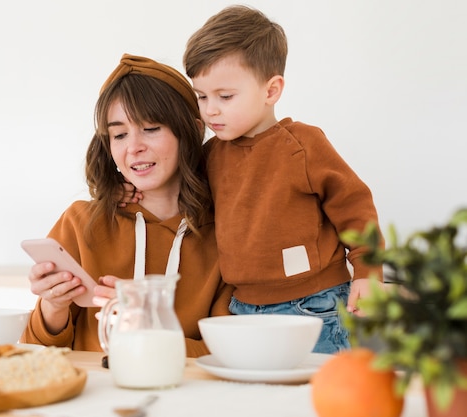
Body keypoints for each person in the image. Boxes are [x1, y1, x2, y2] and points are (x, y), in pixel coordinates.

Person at [181, 5, 384, 353]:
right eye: (201, 96)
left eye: (225, 97)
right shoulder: (210, 155)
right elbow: (180, 194)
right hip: (243, 311)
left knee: (319, 399)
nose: (210, 109)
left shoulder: (303, 144)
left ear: (271, 90)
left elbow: (355, 207)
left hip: (316, 307)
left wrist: (368, 271)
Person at [21, 54, 234, 358]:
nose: (134, 147)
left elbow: (229, 355)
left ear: (192, 131)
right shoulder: (79, 223)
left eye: (151, 128)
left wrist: (150, 329)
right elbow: (37, 357)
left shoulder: (226, 235)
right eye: (119, 134)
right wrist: (53, 306)